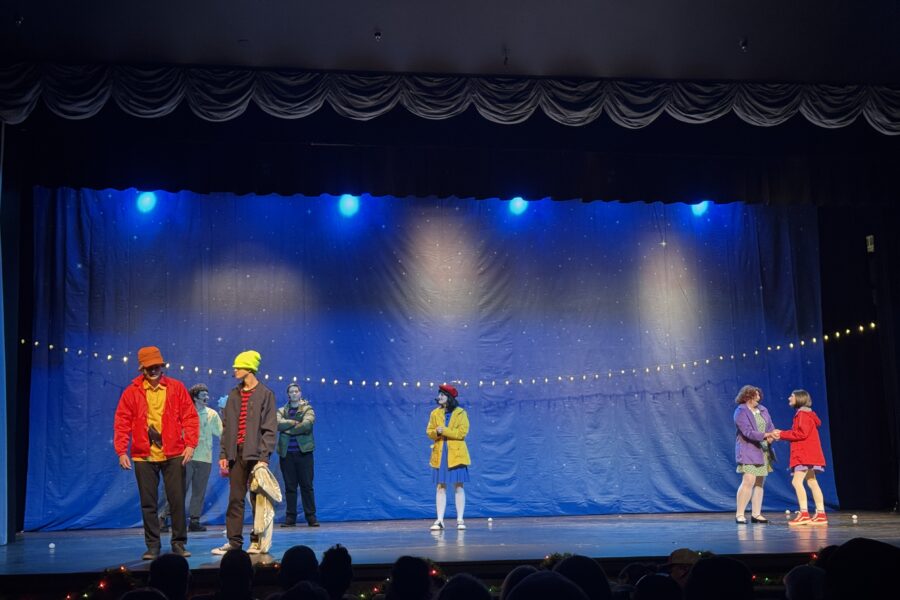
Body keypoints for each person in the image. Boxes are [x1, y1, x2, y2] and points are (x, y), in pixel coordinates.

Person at [114, 345, 199, 560]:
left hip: (173, 453)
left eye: (156, 366)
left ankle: (179, 544)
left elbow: (190, 416)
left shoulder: (176, 388)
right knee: (148, 503)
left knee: (177, 500)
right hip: (144, 455)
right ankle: (153, 545)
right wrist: (121, 450)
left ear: (162, 366)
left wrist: (190, 444)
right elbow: (122, 421)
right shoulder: (132, 391)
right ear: (142, 368)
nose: (153, 370)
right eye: (149, 367)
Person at [212, 350, 278, 555]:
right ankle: (234, 542)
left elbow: (269, 428)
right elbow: (227, 427)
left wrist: (264, 457)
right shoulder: (234, 394)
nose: (234, 370)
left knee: (258, 499)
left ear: (249, 369)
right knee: (235, 498)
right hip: (236, 454)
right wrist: (223, 454)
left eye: (238, 367)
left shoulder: (265, 394)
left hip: (256, 455)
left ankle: (257, 541)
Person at [160, 383, 224, 532]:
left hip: (205, 458)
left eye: (207, 395)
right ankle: (164, 517)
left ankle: (194, 521)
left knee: (199, 491)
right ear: (195, 397)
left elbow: (222, 433)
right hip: (186, 457)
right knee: (179, 490)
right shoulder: (185, 413)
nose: (207, 397)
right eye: (203, 395)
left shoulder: (212, 414)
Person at [771, 389, 828, 526]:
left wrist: (782, 434)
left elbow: (801, 434)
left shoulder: (802, 414)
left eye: (792, 396)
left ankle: (804, 514)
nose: (789, 398)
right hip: (810, 453)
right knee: (812, 481)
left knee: (796, 482)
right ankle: (820, 514)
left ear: (799, 398)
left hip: (804, 454)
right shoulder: (807, 414)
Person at [426, 384, 471, 530]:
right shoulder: (434, 413)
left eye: (442, 395)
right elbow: (429, 432)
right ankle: (439, 520)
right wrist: (437, 433)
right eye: (439, 394)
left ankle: (460, 519)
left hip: (456, 453)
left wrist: (444, 430)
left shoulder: (460, 413)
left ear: (449, 397)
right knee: (440, 487)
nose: (439, 397)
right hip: (441, 453)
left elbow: (461, 433)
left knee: (458, 486)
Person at [733, 384, 776, 524]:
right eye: (755, 395)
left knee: (759, 482)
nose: (758, 397)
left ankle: (756, 514)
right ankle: (740, 514)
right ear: (748, 396)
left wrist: (771, 436)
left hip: (763, 450)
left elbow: (770, 426)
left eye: (759, 395)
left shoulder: (763, 410)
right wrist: (766, 435)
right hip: (749, 450)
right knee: (748, 481)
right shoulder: (740, 411)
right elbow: (747, 432)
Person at [277, 383, 319, 527]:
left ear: (300, 393)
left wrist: (288, 430)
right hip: (287, 454)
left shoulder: (308, 409)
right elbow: (277, 424)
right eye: (291, 392)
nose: (294, 394)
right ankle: (290, 518)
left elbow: (307, 424)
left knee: (307, 486)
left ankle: (311, 517)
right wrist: (293, 423)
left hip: (304, 453)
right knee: (290, 487)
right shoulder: (281, 410)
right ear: (288, 394)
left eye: (296, 391)